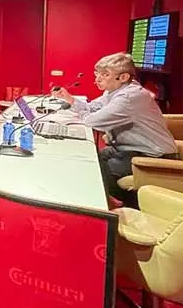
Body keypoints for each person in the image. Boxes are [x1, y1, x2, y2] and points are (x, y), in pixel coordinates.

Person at [52, 52, 178, 207]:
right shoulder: (115, 91)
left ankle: (119, 207)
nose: (97, 78)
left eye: (105, 75)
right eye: (97, 73)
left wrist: (84, 115)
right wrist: (70, 99)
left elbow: (93, 121)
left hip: (153, 156)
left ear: (123, 77)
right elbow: (91, 108)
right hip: (127, 148)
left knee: (93, 170)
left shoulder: (129, 97)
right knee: (90, 158)